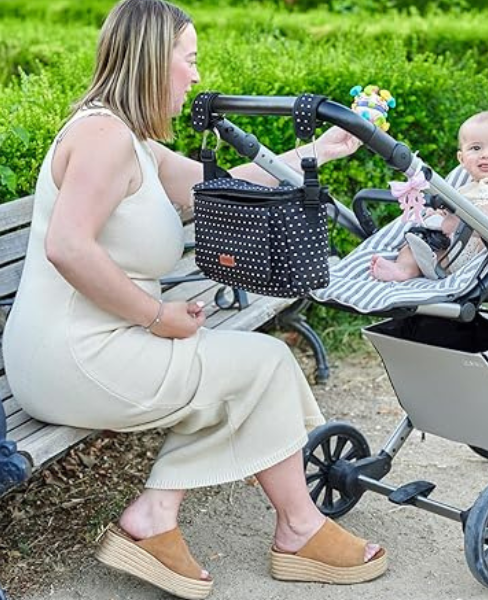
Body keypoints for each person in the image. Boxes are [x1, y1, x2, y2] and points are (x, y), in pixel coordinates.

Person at [2, 0, 387, 598]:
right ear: (155, 62)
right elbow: (67, 248)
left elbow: (222, 188)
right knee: (266, 364)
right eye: (190, 60)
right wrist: (158, 317)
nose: (197, 75)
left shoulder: (130, 140)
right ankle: (296, 529)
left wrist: (327, 150)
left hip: (81, 349)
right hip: (73, 358)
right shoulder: (104, 138)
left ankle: (163, 515)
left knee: (242, 381)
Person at [370, 110, 488, 282]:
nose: (486, 154)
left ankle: (423, 264)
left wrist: (465, 221)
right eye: (476, 148)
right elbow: (447, 219)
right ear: (461, 159)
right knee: (417, 241)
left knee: (431, 240)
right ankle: (404, 269)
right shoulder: (462, 190)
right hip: (450, 253)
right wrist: (439, 216)